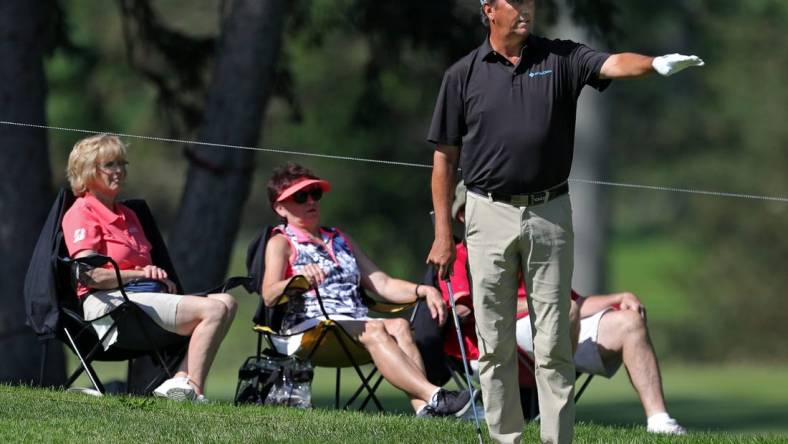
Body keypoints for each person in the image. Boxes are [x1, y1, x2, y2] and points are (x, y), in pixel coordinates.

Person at [426, 1, 703, 442]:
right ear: (488, 10)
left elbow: (612, 64)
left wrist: (654, 64)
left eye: (529, 2)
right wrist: (444, 232)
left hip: (549, 212)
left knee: (553, 342)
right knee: (494, 343)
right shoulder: (463, 74)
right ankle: (506, 439)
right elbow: (444, 160)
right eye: (514, 2)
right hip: (486, 212)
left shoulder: (561, 58)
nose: (525, 9)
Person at [427, 182, 686, 435]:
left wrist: (619, 298)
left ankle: (660, 422)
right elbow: (465, 310)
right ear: (464, 214)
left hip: (552, 327)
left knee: (629, 322)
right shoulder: (457, 255)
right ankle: (552, 407)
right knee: (566, 312)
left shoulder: (526, 248)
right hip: (495, 344)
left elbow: (573, 302)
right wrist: (543, 305)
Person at [261, 162, 478, 417]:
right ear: (279, 207)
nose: (311, 201)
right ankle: (436, 395)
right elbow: (269, 295)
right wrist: (296, 278)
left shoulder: (339, 238)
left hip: (353, 324)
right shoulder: (281, 242)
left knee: (399, 325)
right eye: (300, 196)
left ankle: (425, 411)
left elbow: (382, 284)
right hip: (310, 329)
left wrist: (424, 290)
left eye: (315, 194)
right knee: (374, 328)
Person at [62, 134, 237, 402]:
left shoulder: (129, 214)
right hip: (108, 308)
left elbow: (143, 268)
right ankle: (192, 390)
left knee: (228, 301)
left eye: (122, 163)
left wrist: (157, 279)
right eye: (109, 164)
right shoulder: (81, 212)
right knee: (213, 309)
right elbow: (90, 275)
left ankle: (180, 383)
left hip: (139, 302)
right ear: (87, 170)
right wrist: (141, 274)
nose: (119, 171)